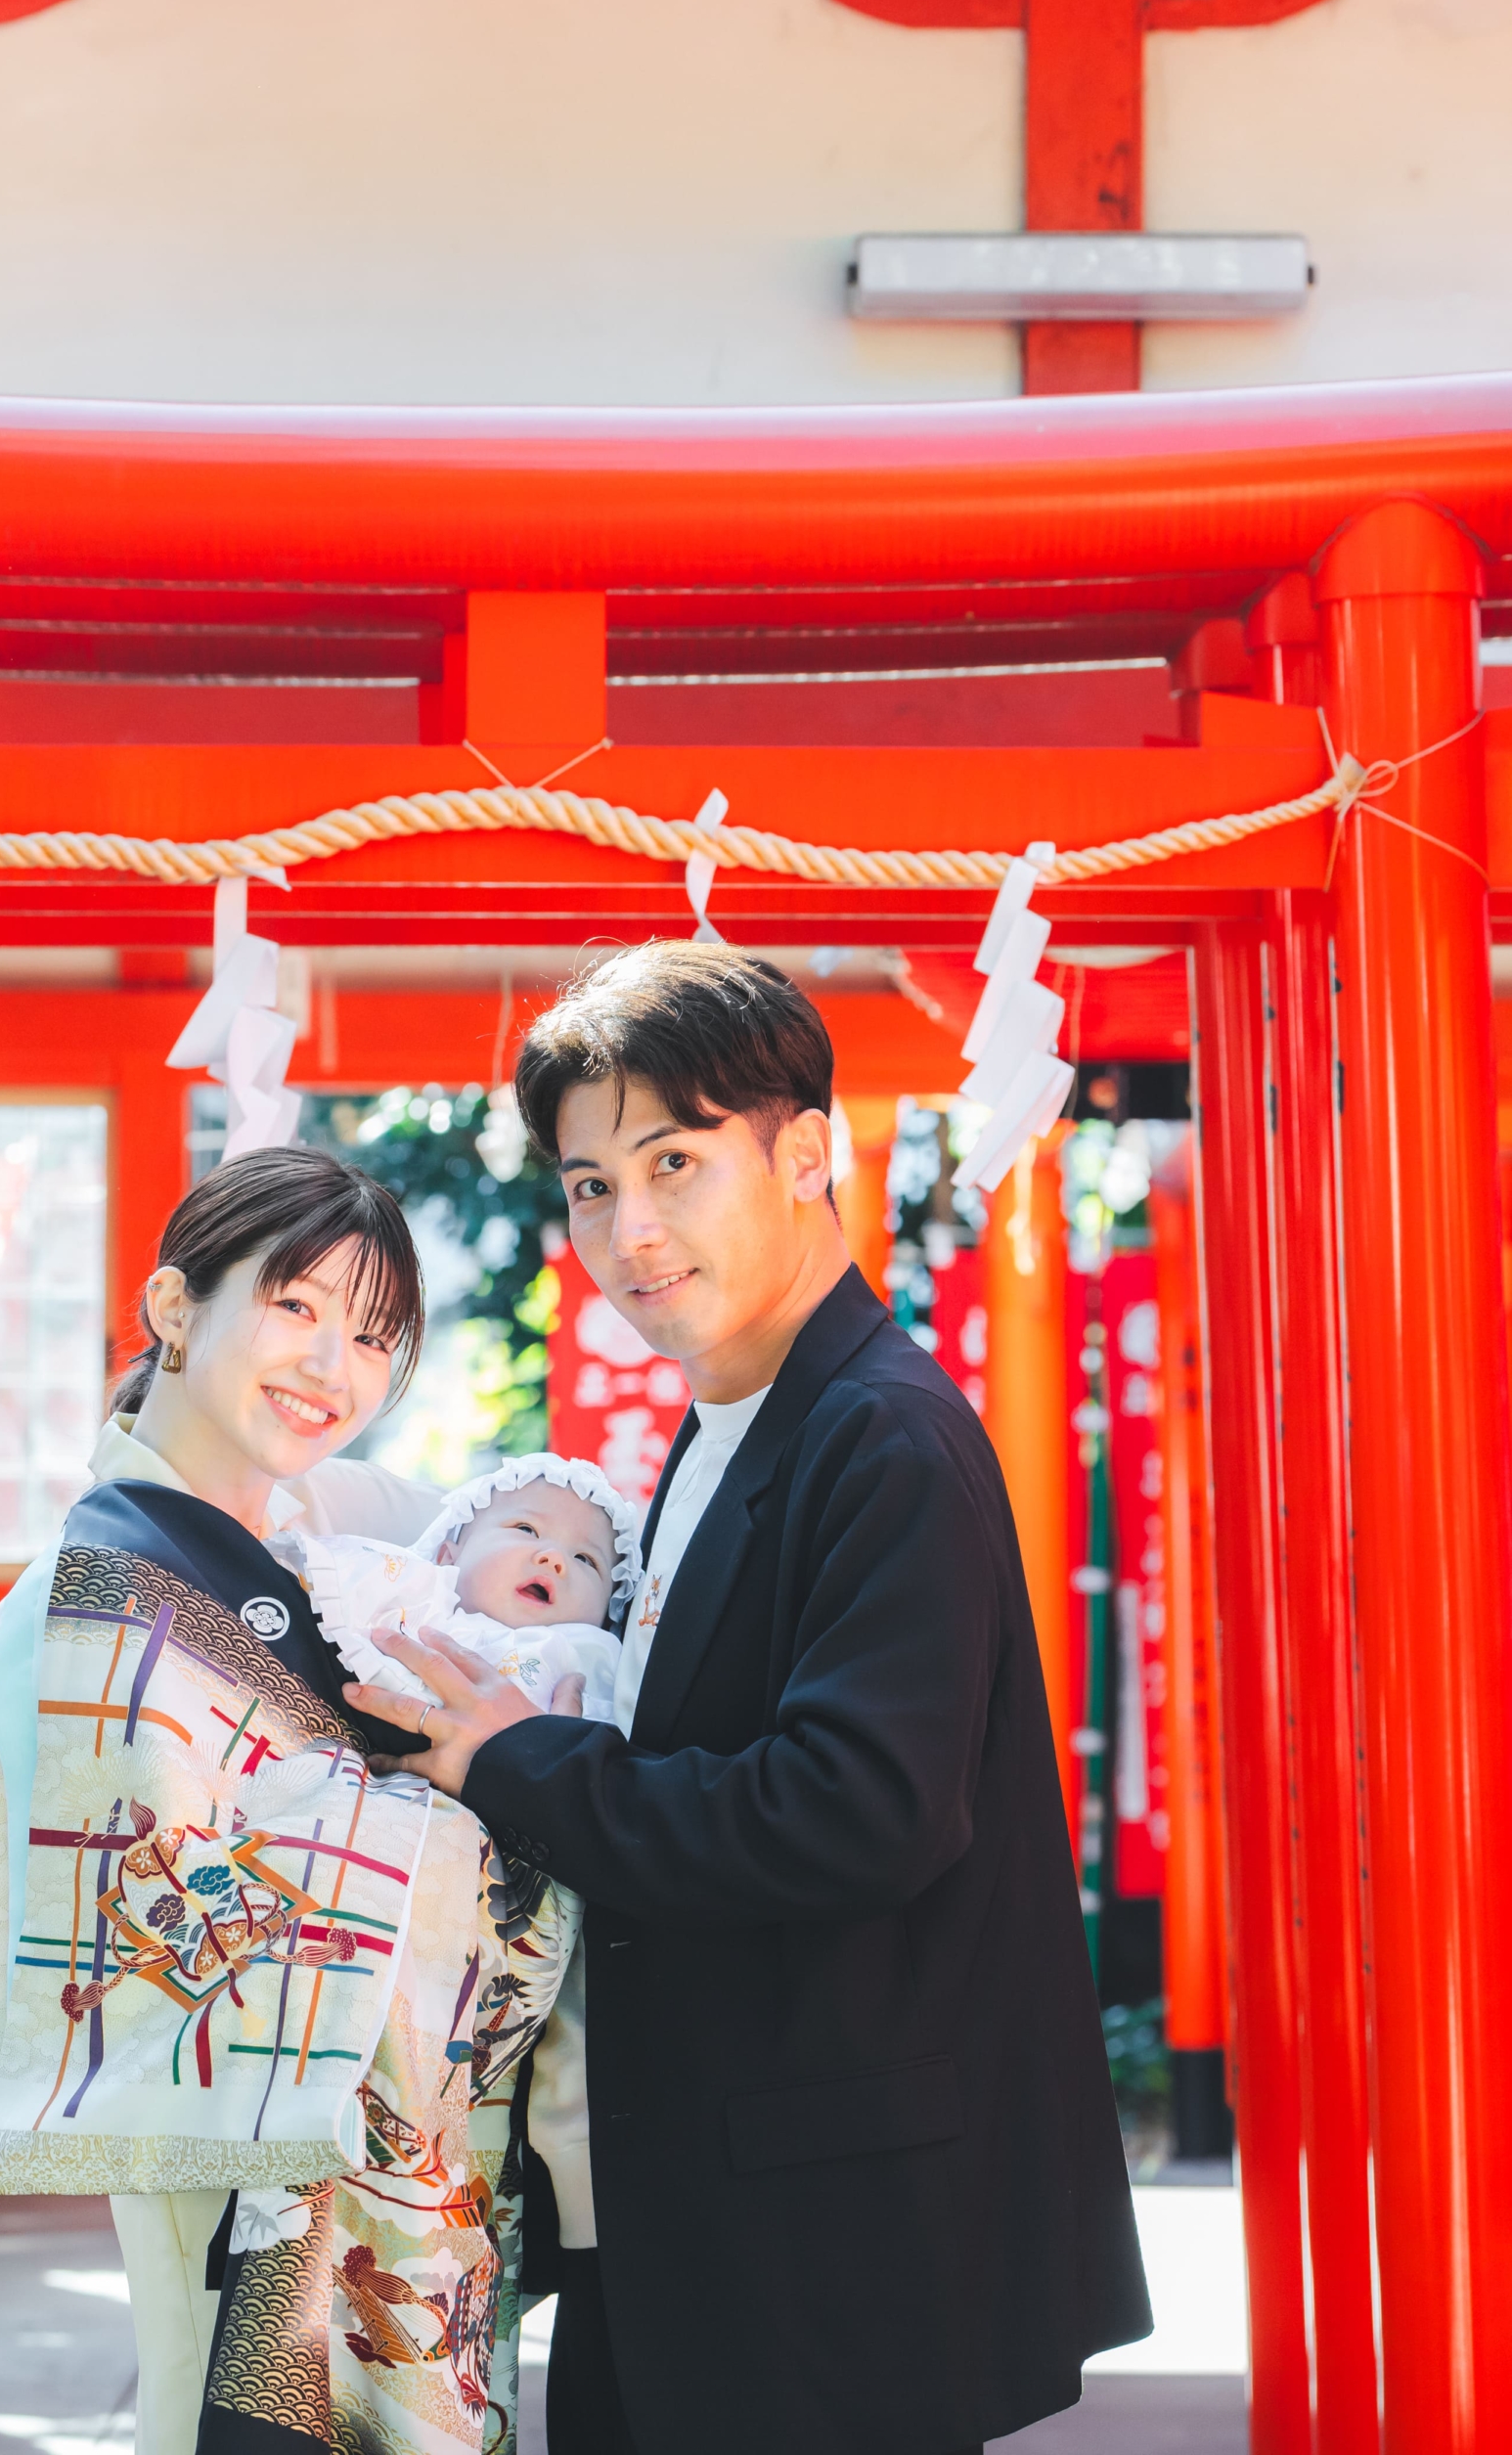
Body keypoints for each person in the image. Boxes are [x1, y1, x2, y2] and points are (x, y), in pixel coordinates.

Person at [343, 942, 1152, 2455]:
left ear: (804, 1152)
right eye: (590, 1184)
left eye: (672, 1162)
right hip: (710, 2207)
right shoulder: (739, 1420)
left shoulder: (885, 1440)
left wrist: (523, 1763)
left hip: (825, 2238)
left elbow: (856, 1811)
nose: (628, 1227)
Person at [0, 1147, 570, 2455]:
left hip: (410, 2168)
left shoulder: (322, 1546)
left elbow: (538, 1520)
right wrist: (479, 1827)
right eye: (294, 1305)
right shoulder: (99, 1594)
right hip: (244, 2183)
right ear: (175, 1309)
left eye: (371, 1333)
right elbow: (171, 1925)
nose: (330, 1365)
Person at [279, 1454, 641, 1720]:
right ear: (448, 1556)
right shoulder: (420, 1593)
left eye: (585, 1559)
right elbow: (329, 1584)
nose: (555, 1559)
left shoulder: (587, 1656)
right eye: (526, 1530)